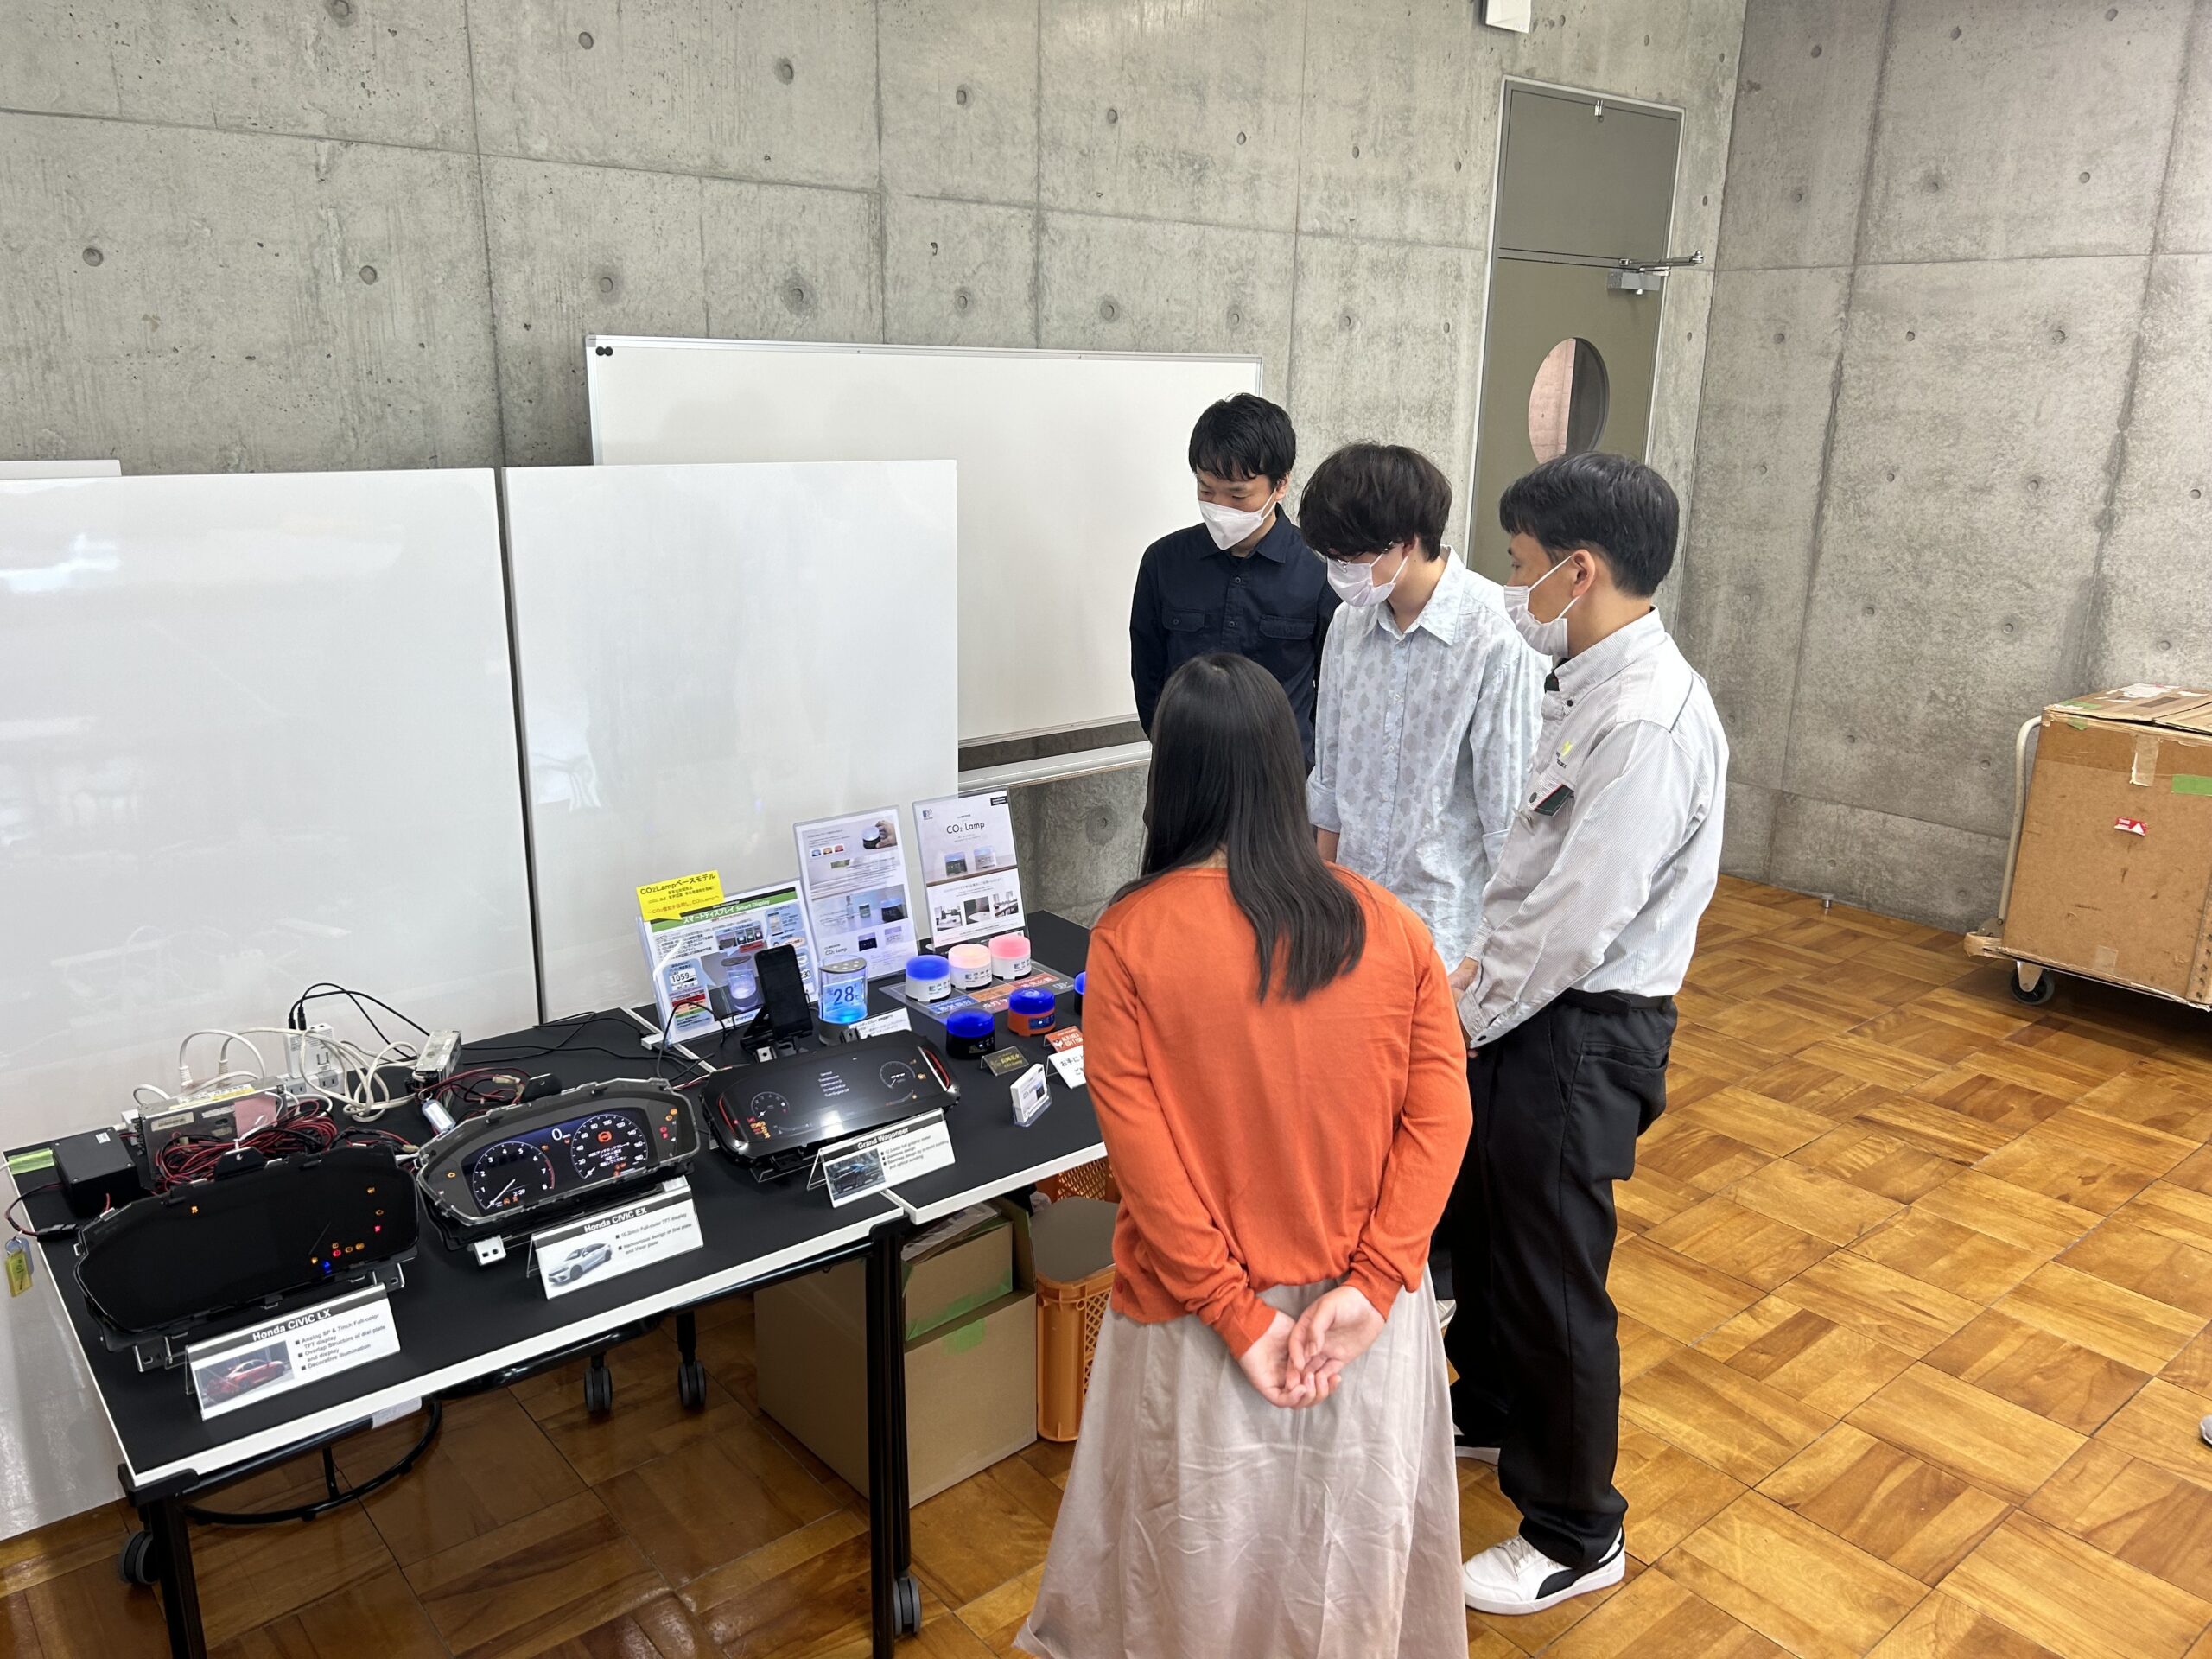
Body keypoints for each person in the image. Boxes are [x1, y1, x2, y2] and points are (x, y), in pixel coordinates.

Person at [1016, 652, 1471, 1659]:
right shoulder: (1393, 927)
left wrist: (1238, 1313)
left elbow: (1146, 1168)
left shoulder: (1127, 939)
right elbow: (1441, 1121)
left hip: (1196, 1327)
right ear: (1287, 767)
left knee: (1192, 1584)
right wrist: (1376, 1283)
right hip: (1363, 1330)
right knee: (1345, 1581)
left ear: (1168, 778)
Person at [1448, 451, 1727, 1618]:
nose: (1509, 585)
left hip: (1582, 1032)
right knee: (1489, 1232)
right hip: (1527, 1010)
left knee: (1555, 1276)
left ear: (1579, 571)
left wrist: (1461, 1017)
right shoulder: (1588, 680)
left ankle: (1574, 1529)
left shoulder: (1647, 719)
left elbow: (1578, 920)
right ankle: (1487, 1410)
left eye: (1518, 564)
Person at [1300, 441, 1545, 970]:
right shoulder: (1348, 624)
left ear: (1407, 543)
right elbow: (1331, 775)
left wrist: (1491, 954)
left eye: (1350, 558)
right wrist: (1320, 901)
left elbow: (1507, 811)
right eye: (1331, 558)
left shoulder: (1497, 635)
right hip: (1352, 912)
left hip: (1445, 926)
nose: (1339, 572)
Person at [1129, 395, 1338, 768]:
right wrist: (1170, 743)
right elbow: (1148, 675)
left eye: (1238, 494)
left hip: (1280, 774)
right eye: (1206, 490)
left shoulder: (1320, 573)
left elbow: (1333, 691)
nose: (1220, 507)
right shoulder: (1163, 562)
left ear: (1281, 484)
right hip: (1185, 770)